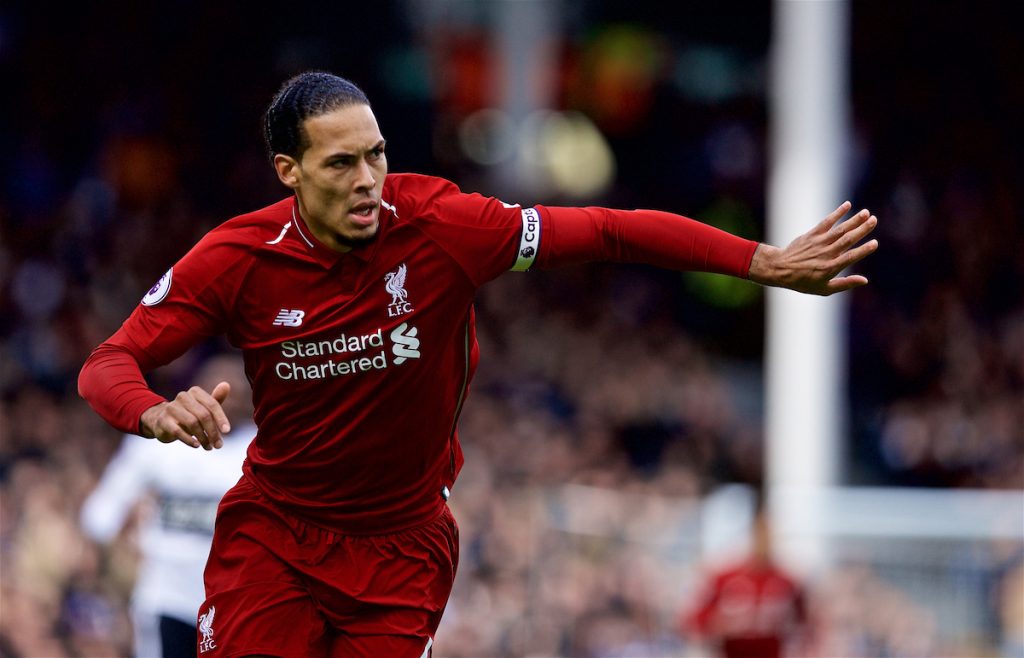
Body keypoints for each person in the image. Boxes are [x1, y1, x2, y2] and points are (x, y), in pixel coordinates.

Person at [77, 70, 878, 658]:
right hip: (277, 534)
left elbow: (606, 229)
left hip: (401, 548)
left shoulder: (446, 227)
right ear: (288, 173)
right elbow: (108, 364)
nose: (367, 182)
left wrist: (760, 262)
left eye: (376, 156)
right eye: (339, 164)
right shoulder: (239, 257)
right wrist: (151, 409)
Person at [80, 354, 255, 658]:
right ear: (196, 392)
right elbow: (99, 515)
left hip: (238, 598)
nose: (229, 399)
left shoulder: (261, 451)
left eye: (240, 392)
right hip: (166, 595)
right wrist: (124, 545)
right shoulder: (157, 445)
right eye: (221, 391)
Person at [681, 501, 812, 658]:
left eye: (770, 534)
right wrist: (722, 624)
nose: (765, 541)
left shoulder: (787, 580)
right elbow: (695, 619)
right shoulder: (725, 577)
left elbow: (805, 623)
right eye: (760, 534)